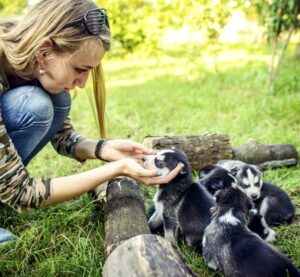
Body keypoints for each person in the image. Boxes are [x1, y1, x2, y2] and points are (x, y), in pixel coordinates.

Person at [0, 0, 183, 243]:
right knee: (35, 105)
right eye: (79, 69)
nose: (83, 83)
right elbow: (24, 193)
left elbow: (62, 136)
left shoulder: (30, 55)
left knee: (58, 100)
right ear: (44, 53)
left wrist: (103, 149)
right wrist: (115, 169)